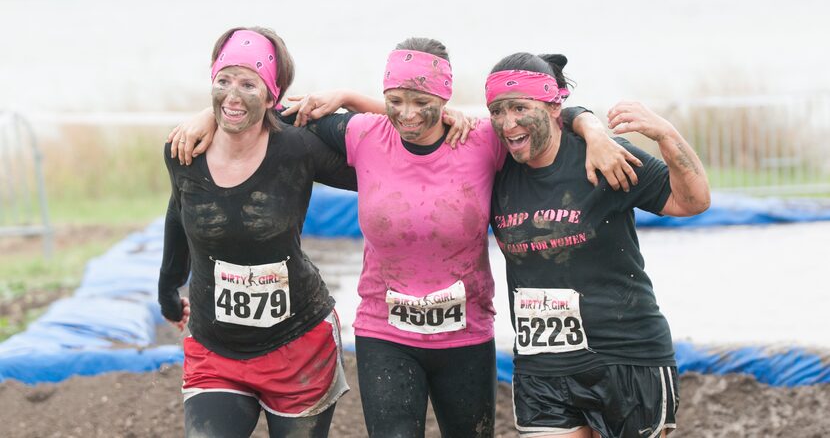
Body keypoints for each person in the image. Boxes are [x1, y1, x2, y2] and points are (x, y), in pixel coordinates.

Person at [171, 37, 640, 438]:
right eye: (395, 99)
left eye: (423, 101)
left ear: (445, 97)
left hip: (465, 334)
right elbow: (259, 109)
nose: (408, 113)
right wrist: (207, 119)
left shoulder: (481, 140)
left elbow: (544, 113)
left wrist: (592, 127)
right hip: (385, 332)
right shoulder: (363, 135)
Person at [484, 52, 710, 438]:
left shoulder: (603, 157)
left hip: (627, 357)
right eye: (498, 111)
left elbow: (693, 200)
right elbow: (430, 130)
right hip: (543, 367)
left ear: (554, 106)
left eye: (520, 107)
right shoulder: (494, 166)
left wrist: (665, 135)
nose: (508, 123)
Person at [159, 26, 360, 438]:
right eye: (223, 81)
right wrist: (168, 288)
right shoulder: (184, 149)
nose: (232, 95)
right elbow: (179, 213)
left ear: (272, 95)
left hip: (298, 346)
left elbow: (386, 154)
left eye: (248, 84)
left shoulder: (297, 148)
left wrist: (347, 98)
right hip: (215, 347)